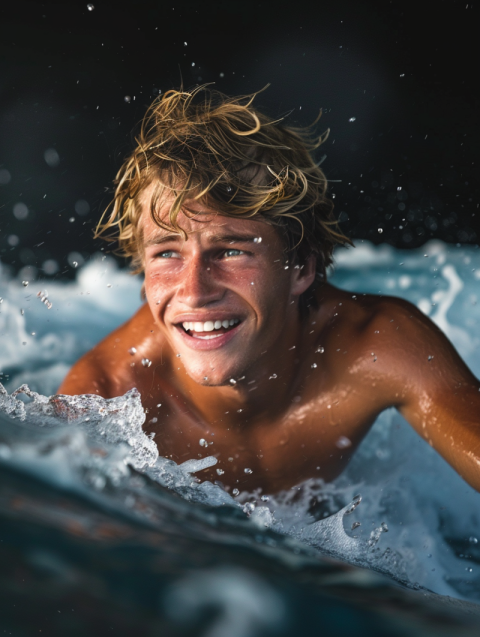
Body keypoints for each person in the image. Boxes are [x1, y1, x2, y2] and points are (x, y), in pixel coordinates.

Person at [58, 86, 480, 494]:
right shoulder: (105, 396)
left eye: (230, 252)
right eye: (168, 254)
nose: (194, 291)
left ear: (301, 268)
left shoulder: (374, 346)